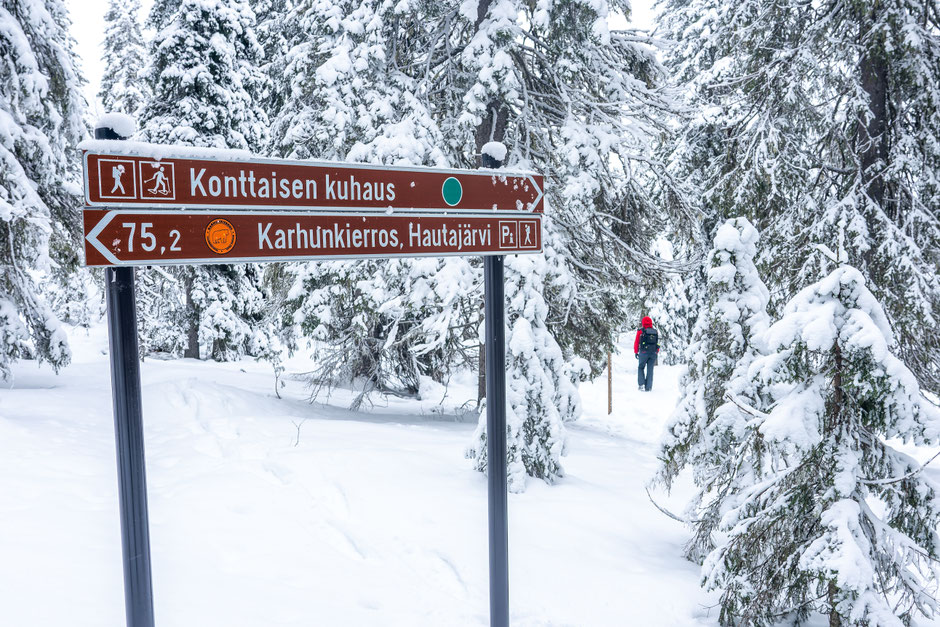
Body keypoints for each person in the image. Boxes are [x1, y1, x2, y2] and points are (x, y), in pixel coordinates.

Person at [634, 316, 660, 392]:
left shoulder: (640, 331)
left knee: (641, 367)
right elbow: (657, 342)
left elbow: (636, 342)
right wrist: (656, 351)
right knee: (650, 369)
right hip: (653, 353)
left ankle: (641, 385)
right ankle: (648, 387)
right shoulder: (655, 331)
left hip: (643, 352)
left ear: (643, 322)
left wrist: (636, 352)